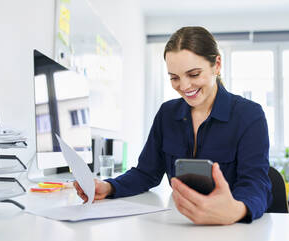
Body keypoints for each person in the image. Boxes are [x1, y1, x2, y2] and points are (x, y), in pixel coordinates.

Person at [74, 26, 272, 225]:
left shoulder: (249, 115)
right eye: (174, 78)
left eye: (193, 74)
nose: (184, 87)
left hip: (231, 228)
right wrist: (109, 187)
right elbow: (146, 173)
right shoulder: (167, 114)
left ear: (217, 65)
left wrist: (236, 211)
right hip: (179, 225)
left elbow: (256, 183)